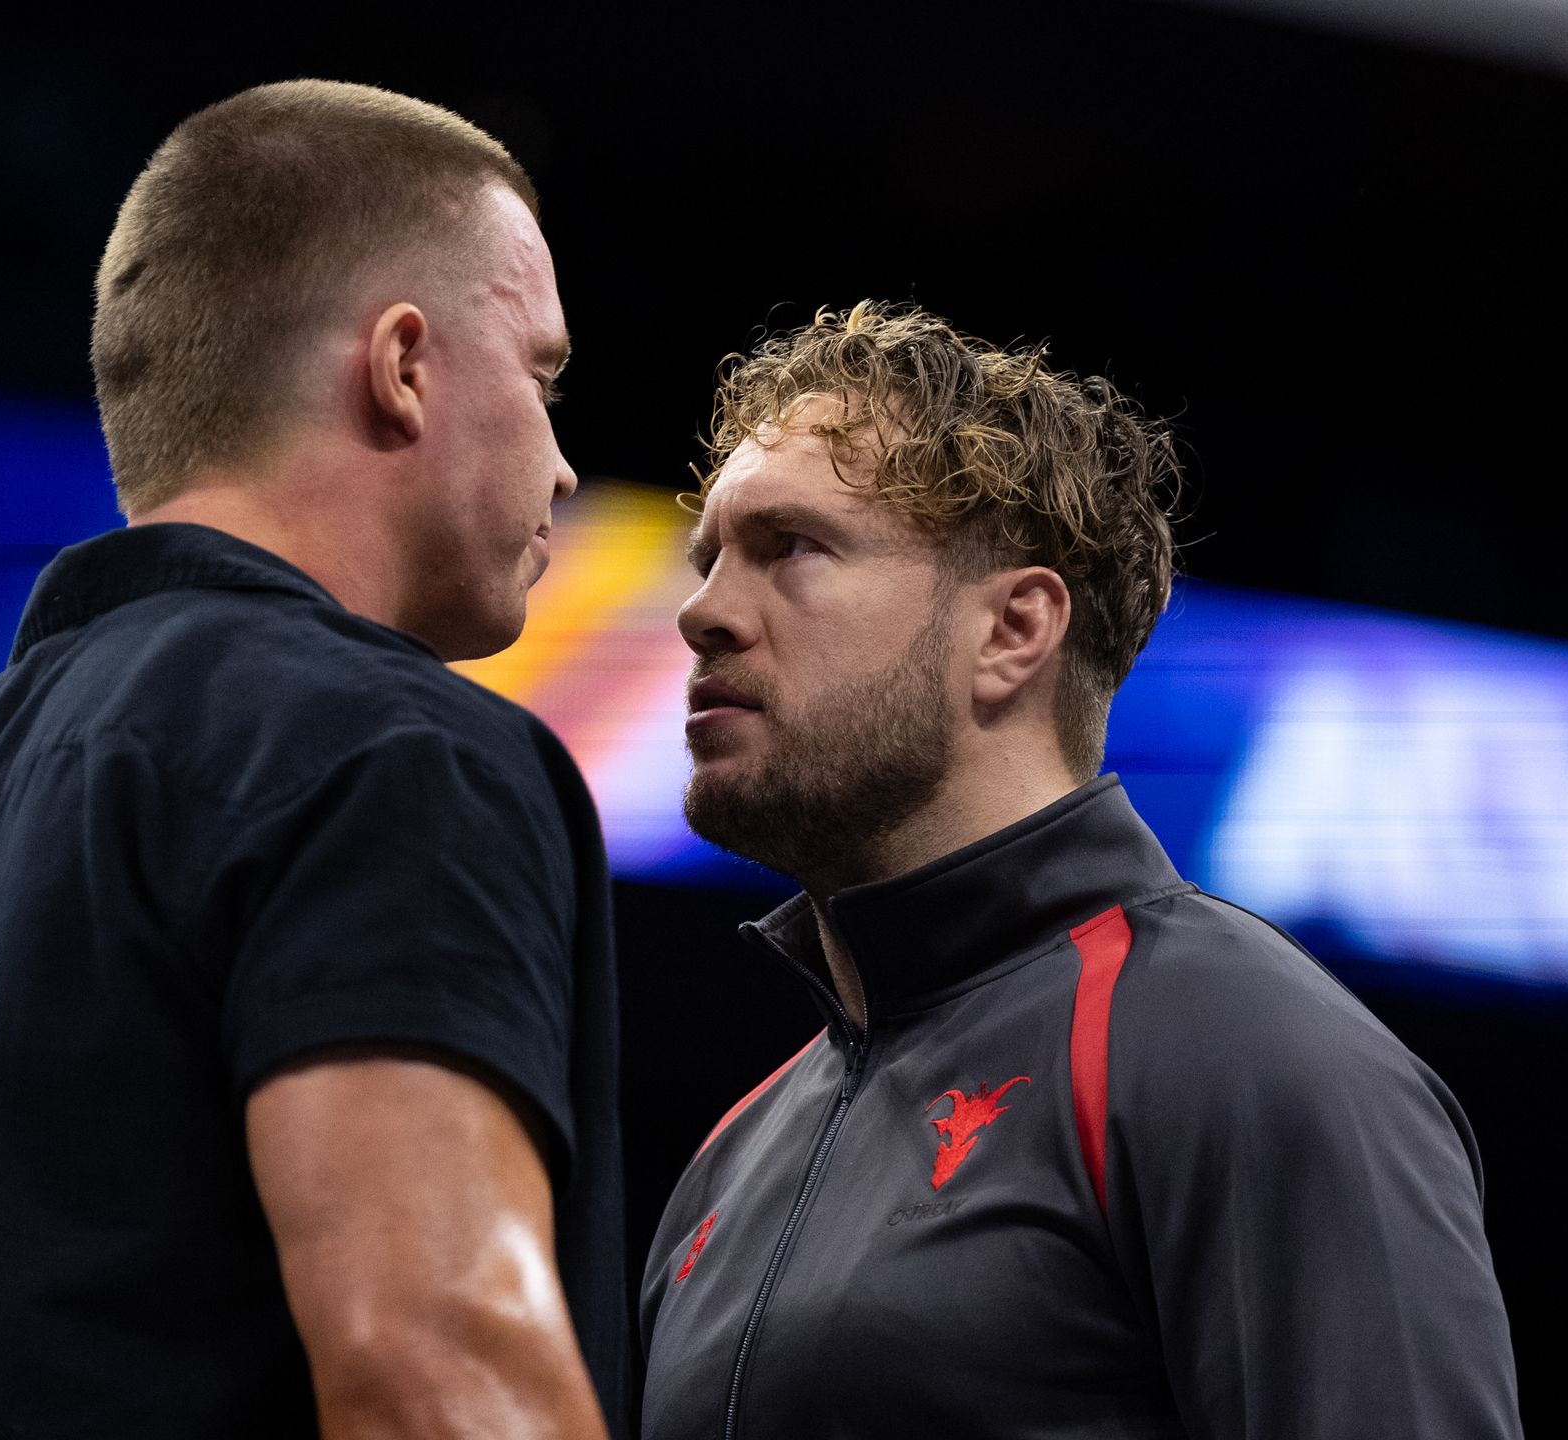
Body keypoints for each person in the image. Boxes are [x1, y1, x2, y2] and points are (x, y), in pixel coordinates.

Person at [0, 81, 625, 1439]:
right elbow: (433, 1375)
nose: (560, 466)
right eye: (543, 376)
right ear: (403, 364)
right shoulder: (390, 751)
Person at [637, 302, 1521, 1438]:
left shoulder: (1244, 1053)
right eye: (709, 560)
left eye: (790, 548)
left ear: (1014, 631)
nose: (703, 612)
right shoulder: (728, 1164)